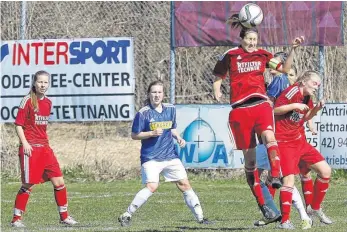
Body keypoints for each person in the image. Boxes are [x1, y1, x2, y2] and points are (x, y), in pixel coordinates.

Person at [213, 15, 304, 222]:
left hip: (261, 104)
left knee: (270, 138)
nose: (252, 43)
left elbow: (284, 70)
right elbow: (219, 76)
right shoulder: (231, 55)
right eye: (249, 40)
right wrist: (217, 90)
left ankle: (274, 175)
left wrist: (292, 50)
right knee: (250, 164)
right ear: (242, 39)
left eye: (255, 40)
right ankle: (266, 208)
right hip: (239, 110)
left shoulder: (263, 55)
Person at [118, 80, 211, 227]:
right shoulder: (143, 113)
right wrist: (151, 133)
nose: (157, 95)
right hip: (151, 157)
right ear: (149, 94)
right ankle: (127, 214)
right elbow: (134, 135)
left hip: (170, 155)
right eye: (154, 92)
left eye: (159, 92)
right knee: (152, 186)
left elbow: (172, 128)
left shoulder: (170, 109)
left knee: (184, 184)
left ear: (163, 94)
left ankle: (201, 218)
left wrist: (178, 137)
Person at [10, 70, 78, 228]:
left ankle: (64, 216)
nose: (43, 85)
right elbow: (18, 125)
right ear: (34, 83)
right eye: (40, 82)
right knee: (28, 184)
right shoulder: (27, 100)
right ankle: (16, 219)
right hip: (31, 148)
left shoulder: (48, 103)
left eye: (45, 82)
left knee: (59, 181)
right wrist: (25, 143)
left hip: (45, 148)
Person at [255, 54, 313, 229]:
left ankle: (299, 217)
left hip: (276, 139)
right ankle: (274, 214)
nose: (272, 65)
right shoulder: (282, 84)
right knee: (269, 178)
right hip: (275, 137)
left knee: (282, 179)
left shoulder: (280, 80)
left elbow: (273, 108)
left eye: (275, 63)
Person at [274, 71, 332, 229]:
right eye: (314, 83)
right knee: (289, 181)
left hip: (300, 141)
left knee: (325, 171)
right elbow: (274, 110)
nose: (316, 87)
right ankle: (284, 221)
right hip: (285, 142)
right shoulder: (292, 92)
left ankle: (313, 208)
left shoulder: (307, 97)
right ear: (304, 81)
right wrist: (293, 105)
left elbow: (306, 117)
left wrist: (317, 109)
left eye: (318, 85)